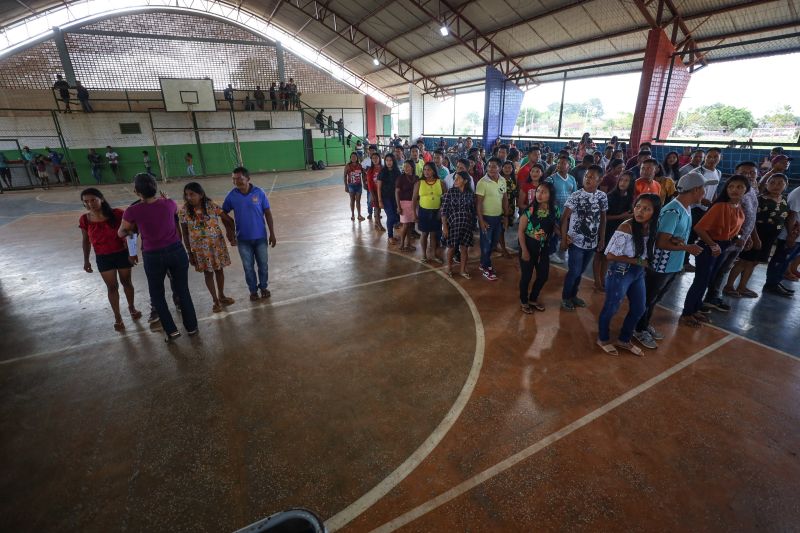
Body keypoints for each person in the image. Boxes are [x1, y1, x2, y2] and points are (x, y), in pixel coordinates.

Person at [119, 173, 198, 342]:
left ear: (136, 191)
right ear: (156, 188)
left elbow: (121, 232)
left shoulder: (132, 210)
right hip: (176, 251)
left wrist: (131, 229)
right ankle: (192, 327)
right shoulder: (169, 203)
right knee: (182, 290)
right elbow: (171, 211)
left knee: (157, 294)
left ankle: (171, 331)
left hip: (153, 255)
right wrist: (165, 199)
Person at [631, 173, 705, 349]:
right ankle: (638, 329)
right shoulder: (673, 211)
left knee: (655, 298)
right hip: (660, 265)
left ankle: (644, 324)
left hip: (672, 264)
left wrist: (679, 242)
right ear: (695, 190)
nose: (704, 192)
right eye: (702, 189)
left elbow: (670, 237)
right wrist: (688, 248)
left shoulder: (685, 209)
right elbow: (661, 242)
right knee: (648, 299)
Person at [596, 194, 661, 357]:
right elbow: (609, 255)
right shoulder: (626, 227)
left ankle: (624, 339)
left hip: (637, 274)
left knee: (639, 307)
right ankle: (602, 338)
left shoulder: (652, 226)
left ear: (655, 212)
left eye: (646, 209)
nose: (640, 211)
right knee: (612, 307)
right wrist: (638, 261)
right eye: (638, 207)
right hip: (620, 271)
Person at [680, 174, 748, 328]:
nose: (734, 190)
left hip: (722, 247)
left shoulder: (738, 208)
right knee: (700, 281)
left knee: (707, 280)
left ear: (746, 190)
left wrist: (738, 237)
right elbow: (699, 228)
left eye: (739, 187)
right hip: (709, 247)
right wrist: (712, 244)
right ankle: (686, 313)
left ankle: (695, 309)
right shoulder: (720, 206)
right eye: (731, 186)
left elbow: (734, 229)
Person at [79, 188, 142, 331]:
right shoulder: (85, 219)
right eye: (86, 202)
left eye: (93, 200)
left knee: (127, 282)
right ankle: (118, 317)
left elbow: (131, 232)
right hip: (103, 258)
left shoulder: (118, 214)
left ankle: (132, 308)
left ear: (101, 199)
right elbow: (86, 241)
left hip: (121, 254)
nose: (90, 204)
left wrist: (132, 252)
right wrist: (86, 260)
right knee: (112, 287)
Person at [703, 161, 760, 310]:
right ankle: (710, 297)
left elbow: (751, 216)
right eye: (743, 173)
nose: (748, 175)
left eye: (752, 173)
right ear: (735, 174)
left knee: (724, 268)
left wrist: (751, 236)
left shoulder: (752, 191)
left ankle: (714, 295)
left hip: (741, 240)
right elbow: (731, 220)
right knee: (718, 269)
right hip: (729, 240)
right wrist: (740, 238)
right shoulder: (735, 194)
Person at [725, 173, 789, 298]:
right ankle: (729, 286)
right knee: (743, 261)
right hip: (757, 235)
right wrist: (754, 237)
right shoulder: (760, 199)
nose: (776, 186)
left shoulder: (784, 200)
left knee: (753, 262)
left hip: (770, 238)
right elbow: (751, 220)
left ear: (786, 186)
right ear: (766, 184)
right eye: (772, 182)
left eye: (780, 183)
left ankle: (742, 286)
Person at [179, 182, 237, 313]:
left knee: (219, 270)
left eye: (192, 194)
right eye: (186, 195)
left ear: (201, 194)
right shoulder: (184, 212)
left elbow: (227, 219)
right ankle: (215, 300)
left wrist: (231, 233)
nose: (189, 197)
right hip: (200, 250)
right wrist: (189, 252)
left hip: (216, 246)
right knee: (208, 273)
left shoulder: (211, 206)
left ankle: (221, 295)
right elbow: (185, 233)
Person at [222, 167, 277, 301]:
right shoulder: (232, 196)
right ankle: (253, 291)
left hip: (260, 238)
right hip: (243, 239)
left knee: (263, 265)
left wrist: (272, 233)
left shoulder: (259, 193)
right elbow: (223, 213)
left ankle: (263, 287)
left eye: (239, 179)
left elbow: (268, 213)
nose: (236, 182)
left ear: (248, 178)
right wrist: (230, 231)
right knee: (248, 267)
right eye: (234, 179)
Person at [559, 165, 607, 310]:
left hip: (591, 242)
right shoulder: (576, 196)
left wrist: (602, 238)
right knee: (574, 271)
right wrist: (563, 238)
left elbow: (603, 219)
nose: (587, 179)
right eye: (586, 176)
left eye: (592, 177)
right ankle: (566, 297)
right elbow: (564, 219)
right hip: (575, 242)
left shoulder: (602, 197)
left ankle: (574, 295)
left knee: (580, 271)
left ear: (600, 180)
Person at [518, 181, 559, 313]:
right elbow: (520, 231)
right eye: (538, 191)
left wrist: (564, 235)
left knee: (543, 275)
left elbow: (554, 226)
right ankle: (524, 301)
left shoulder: (554, 210)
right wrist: (524, 250)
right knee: (526, 276)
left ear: (550, 195)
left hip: (543, 247)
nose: (539, 194)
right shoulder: (529, 210)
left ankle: (533, 299)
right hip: (529, 246)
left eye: (544, 192)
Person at [594, 171, 633, 292]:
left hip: (617, 232)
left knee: (607, 256)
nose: (623, 183)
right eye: (621, 180)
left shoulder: (629, 197)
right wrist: (621, 216)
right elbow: (603, 217)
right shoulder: (610, 197)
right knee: (599, 255)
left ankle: (602, 279)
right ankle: (597, 281)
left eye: (626, 180)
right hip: (605, 228)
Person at [684, 148, 722, 271]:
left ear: (720, 158)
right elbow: (687, 190)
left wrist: (713, 202)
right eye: (709, 156)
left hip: (707, 209)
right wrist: (701, 200)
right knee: (689, 234)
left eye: (715, 157)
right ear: (705, 157)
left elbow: (714, 190)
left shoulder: (718, 173)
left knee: (698, 235)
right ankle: (684, 261)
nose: (712, 159)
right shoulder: (697, 172)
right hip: (694, 208)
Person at [762, 183, 800, 298]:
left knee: (787, 260)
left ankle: (776, 282)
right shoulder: (798, 193)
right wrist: (791, 236)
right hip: (791, 234)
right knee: (780, 259)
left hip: (797, 235)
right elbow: (791, 215)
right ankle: (771, 284)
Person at [476, 157, 508, 281]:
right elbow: (478, 203)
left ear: (500, 168)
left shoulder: (502, 180)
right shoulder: (482, 182)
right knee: (486, 243)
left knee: (494, 242)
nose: (491, 169)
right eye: (489, 166)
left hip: (498, 217)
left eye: (494, 166)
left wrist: (505, 216)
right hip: (486, 218)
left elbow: (504, 199)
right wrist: (481, 220)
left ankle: (483, 262)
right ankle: (486, 267)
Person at [441, 171, 475, 279]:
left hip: (466, 225)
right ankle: (449, 268)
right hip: (453, 226)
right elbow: (444, 211)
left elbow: (472, 210)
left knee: (464, 248)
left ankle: (462, 269)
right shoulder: (450, 192)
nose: (455, 180)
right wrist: (445, 227)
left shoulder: (470, 194)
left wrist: (472, 224)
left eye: (458, 179)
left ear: (465, 181)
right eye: (454, 178)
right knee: (451, 248)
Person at [545, 154, 577, 264]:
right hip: (554, 211)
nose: (560, 165)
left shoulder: (572, 179)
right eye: (558, 163)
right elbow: (546, 196)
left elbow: (574, 196)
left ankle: (556, 246)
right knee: (554, 231)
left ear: (569, 165)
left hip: (566, 212)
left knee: (562, 230)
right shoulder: (551, 179)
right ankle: (550, 253)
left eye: (563, 163)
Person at [413, 162, 446, 264]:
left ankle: (434, 255)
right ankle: (424, 255)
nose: (426, 172)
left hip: (436, 212)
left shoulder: (441, 182)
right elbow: (414, 199)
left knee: (433, 234)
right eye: (425, 169)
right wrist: (414, 214)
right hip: (424, 212)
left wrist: (442, 210)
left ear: (434, 171)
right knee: (424, 234)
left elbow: (445, 198)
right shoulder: (419, 183)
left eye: (429, 169)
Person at [377, 153, 401, 245]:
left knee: (396, 216)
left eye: (390, 160)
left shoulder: (397, 172)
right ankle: (390, 236)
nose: (388, 162)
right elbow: (379, 187)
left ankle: (393, 233)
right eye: (387, 160)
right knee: (391, 216)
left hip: (395, 198)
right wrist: (380, 201)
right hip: (385, 198)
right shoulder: (382, 172)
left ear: (393, 161)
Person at [396, 160, 418, 252]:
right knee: (405, 225)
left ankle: (408, 244)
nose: (405, 168)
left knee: (410, 225)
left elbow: (416, 194)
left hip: (413, 203)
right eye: (404, 166)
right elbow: (396, 193)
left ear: (412, 167)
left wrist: (415, 206)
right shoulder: (400, 178)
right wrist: (398, 206)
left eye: (407, 166)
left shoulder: (416, 178)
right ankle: (402, 243)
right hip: (403, 203)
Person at [498, 160, 517, 258]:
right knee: (501, 228)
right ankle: (504, 249)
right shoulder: (499, 179)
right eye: (505, 167)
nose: (507, 169)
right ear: (502, 168)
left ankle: (496, 245)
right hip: (501, 206)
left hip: (511, 207)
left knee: (504, 228)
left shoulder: (513, 179)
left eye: (510, 167)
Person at [365, 152, 384, 231]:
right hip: (374, 192)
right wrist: (372, 194)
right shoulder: (370, 170)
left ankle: (376, 222)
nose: (375, 160)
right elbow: (369, 183)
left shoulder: (383, 168)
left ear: (379, 158)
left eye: (376, 158)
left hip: (382, 191)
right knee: (376, 207)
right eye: (373, 158)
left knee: (379, 208)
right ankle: (379, 223)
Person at [343, 152, 365, 221]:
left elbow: (363, 174)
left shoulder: (360, 165)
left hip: (359, 186)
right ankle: (352, 215)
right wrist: (346, 186)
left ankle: (359, 215)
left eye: (355, 157)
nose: (353, 158)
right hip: (351, 186)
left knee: (358, 201)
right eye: (352, 157)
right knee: (352, 200)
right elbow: (344, 176)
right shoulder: (348, 166)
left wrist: (364, 183)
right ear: (350, 158)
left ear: (357, 158)